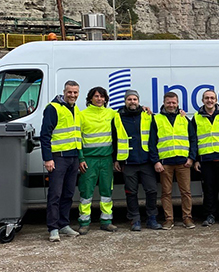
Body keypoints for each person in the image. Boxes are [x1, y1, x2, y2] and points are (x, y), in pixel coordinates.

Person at [112, 89, 162, 231]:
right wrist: (115, 159)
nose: (132, 102)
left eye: (134, 99)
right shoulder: (117, 117)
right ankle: (135, 219)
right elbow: (114, 139)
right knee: (131, 192)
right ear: (125, 101)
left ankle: (152, 218)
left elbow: (154, 137)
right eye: (129, 99)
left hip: (146, 161)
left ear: (138, 101)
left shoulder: (147, 115)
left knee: (152, 190)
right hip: (128, 161)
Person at [40, 80, 81, 242]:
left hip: (73, 158)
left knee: (68, 193)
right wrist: (48, 158)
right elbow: (45, 135)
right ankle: (53, 228)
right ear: (64, 92)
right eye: (70, 92)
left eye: (75, 92)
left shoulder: (75, 109)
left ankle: (64, 224)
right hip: (58, 158)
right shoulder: (53, 108)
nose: (72, 95)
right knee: (55, 194)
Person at [150, 92, 197, 230]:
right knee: (166, 192)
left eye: (174, 102)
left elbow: (193, 140)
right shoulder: (156, 119)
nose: (171, 105)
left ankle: (187, 218)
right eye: (168, 102)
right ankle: (168, 219)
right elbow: (151, 142)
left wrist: (191, 158)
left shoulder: (184, 119)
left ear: (177, 103)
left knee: (186, 192)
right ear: (164, 103)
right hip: (165, 163)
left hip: (183, 162)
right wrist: (156, 161)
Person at [76, 87, 118, 235]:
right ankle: (84, 222)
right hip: (89, 160)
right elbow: (77, 138)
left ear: (106, 99)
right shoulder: (82, 115)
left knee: (107, 192)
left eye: (102, 96)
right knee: (86, 192)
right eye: (96, 96)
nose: (99, 99)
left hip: (106, 159)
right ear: (90, 98)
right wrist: (81, 158)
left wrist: (145, 110)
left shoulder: (112, 113)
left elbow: (127, 114)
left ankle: (106, 221)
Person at [193, 89, 219, 227]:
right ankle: (209, 215)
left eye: (212, 98)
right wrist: (196, 159)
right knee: (208, 189)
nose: (209, 100)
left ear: (216, 100)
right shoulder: (196, 117)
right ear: (202, 100)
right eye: (206, 98)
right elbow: (193, 140)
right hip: (205, 160)